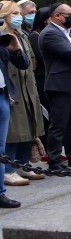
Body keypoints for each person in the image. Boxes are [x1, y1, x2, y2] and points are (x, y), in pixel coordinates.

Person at [39, 2, 71, 171]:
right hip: (59, 84)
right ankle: (54, 159)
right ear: (57, 16)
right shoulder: (50, 33)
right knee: (59, 124)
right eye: (68, 15)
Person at [0, 1, 45, 184]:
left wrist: (17, 50)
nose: (19, 17)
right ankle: (8, 169)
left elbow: (26, 62)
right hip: (11, 88)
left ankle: (22, 164)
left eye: (19, 13)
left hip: (26, 86)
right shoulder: (3, 36)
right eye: (14, 13)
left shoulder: (20, 35)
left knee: (27, 127)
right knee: (13, 130)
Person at [0, 31, 29, 207]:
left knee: (0, 148)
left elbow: (23, 64)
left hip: (2, 95)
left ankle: (0, 194)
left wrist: (16, 50)